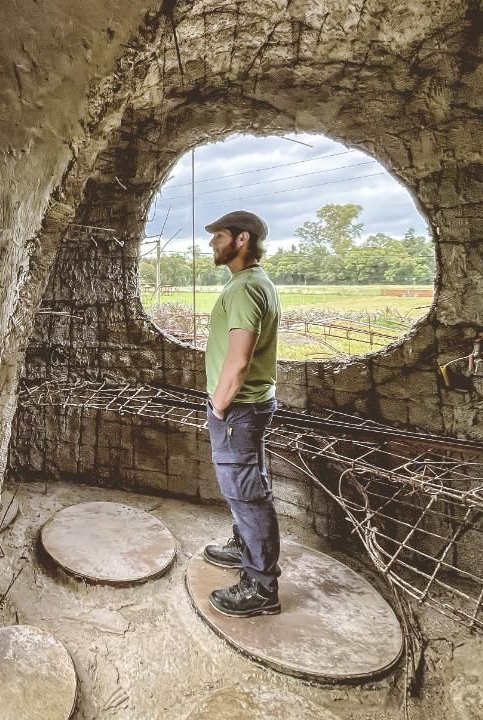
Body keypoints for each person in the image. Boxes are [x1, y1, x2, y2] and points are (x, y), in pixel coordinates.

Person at [199, 210, 283, 618]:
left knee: (247, 495)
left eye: (218, 236)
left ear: (241, 239)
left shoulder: (245, 290)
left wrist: (218, 406)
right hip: (249, 405)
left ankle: (261, 588)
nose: (212, 243)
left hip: (237, 409)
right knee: (248, 485)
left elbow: (239, 359)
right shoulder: (252, 283)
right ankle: (243, 547)